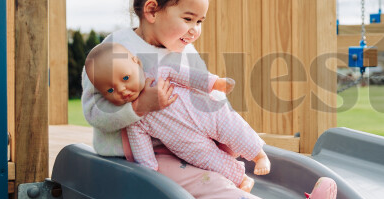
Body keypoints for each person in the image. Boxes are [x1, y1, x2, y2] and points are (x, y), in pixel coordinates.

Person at [81, 0, 335, 199]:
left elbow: (207, 96)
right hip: (146, 157)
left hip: (188, 142)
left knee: (231, 158)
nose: (195, 30)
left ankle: (245, 180)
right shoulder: (114, 49)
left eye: (200, 21)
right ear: (152, 10)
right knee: (211, 186)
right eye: (188, 19)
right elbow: (93, 110)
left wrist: (227, 139)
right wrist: (138, 107)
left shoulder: (184, 51)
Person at [86, 41, 271, 185]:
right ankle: (241, 178)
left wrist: (215, 83)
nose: (122, 90)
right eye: (110, 90)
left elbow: (189, 76)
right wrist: (150, 172)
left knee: (233, 127)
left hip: (206, 113)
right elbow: (142, 152)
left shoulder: (161, 73)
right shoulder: (135, 121)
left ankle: (259, 155)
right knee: (210, 160)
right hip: (187, 143)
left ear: (137, 63)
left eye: (126, 78)